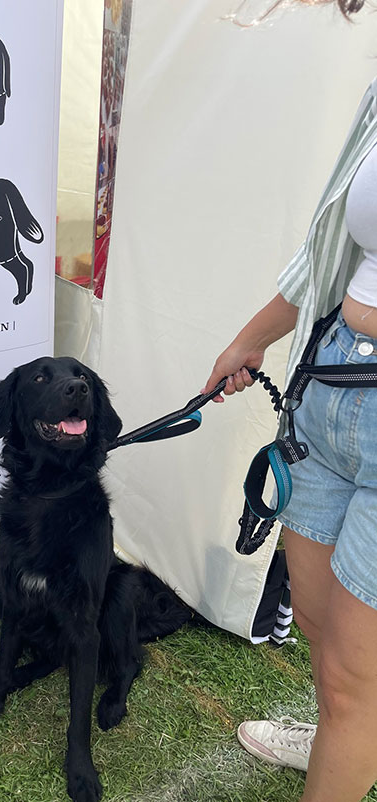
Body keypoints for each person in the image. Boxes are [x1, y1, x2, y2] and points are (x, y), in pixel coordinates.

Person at [202, 2, 377, 800]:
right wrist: (252, 337)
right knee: (315, 623)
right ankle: (344, 731)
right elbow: (328, 247)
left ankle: (349, 727)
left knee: (354, 672)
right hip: (332, 380)